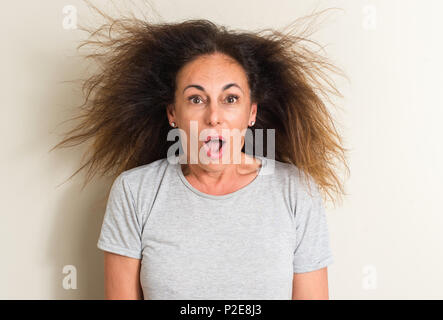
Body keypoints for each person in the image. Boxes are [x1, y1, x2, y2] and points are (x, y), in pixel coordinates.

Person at [51, 5, 349, 300]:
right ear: (173, 113)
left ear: (251, 112)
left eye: (230, 98)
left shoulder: (297, 191)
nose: (214, 116)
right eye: (196, 99)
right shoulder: (135, 192)